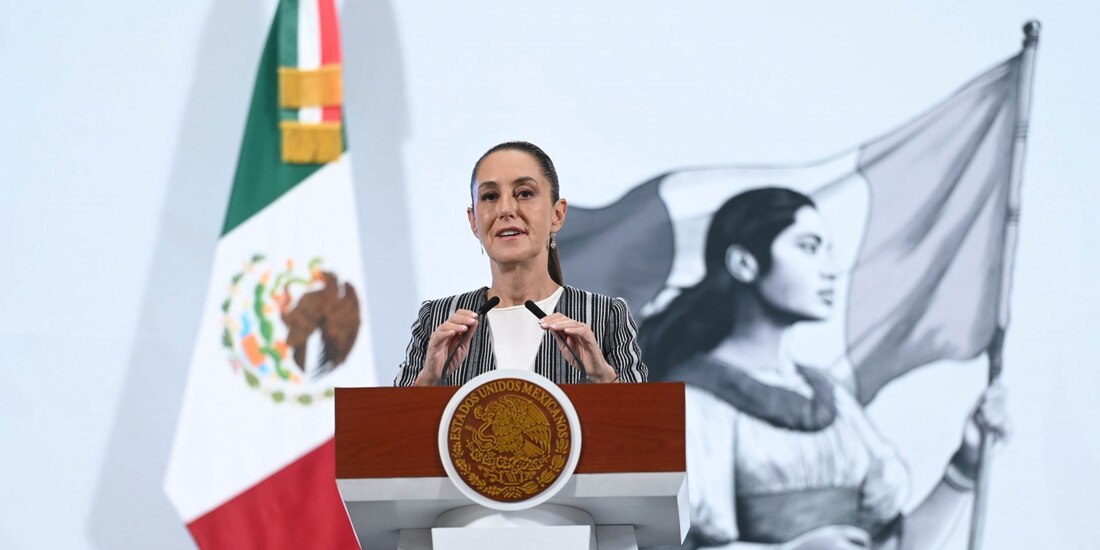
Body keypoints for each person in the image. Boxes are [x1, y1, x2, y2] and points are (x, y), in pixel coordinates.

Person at [639, 188, 1008, 550]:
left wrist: (965, 464)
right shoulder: (690, 404)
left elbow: (893, 545)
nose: (831, 269)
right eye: (809, 247)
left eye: (828, 251)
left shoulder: (830, 398)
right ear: (744, 264)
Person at [394, 141, 647, 387]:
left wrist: (602, 376)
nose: (505, 209)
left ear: (557, 215)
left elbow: (646, 425)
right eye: (490, 196)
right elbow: (391, 426)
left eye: (524, 193)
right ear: (474, 221)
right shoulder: (437, 320)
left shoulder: (605, 317)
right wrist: (428, 379)